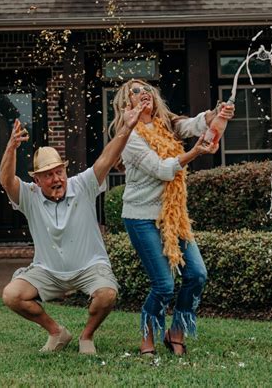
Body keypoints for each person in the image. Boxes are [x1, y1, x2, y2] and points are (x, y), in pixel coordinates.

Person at [0, 102, 143, 355]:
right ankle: (57, 333)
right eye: (49, 175)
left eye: (59, 171)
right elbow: (6, 180)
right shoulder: (29, 196)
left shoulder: (83, 185)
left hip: (89, 267)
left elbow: (107, 158)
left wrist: (127, 127)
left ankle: (86, 336)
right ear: (37, 179)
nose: (57, 179)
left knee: (107, 294)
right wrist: (11, 147)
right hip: (47, 271)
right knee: (12, 295)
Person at [110, 79, 234, 357]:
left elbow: (192, 125)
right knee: (164, 285)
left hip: (173, 215)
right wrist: (194, 153)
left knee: (197, 274)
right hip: (141, 217)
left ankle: (175, 331)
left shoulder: (167, 124)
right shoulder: (128, 137)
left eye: (148, 90)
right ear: (125, 103)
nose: (144, 94)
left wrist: (216, 114)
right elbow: (162, 169)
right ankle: (148, 336)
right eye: (136, 92)